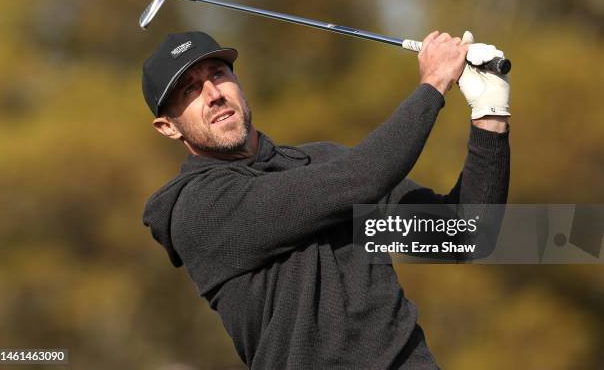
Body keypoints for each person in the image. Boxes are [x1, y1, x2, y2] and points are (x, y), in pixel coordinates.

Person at [141, 30, 510, 369]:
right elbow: (363, 178)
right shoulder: (199, 208)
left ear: (237, 82)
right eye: (189, 90)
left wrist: (489, 115)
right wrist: (433, 83)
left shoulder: (325, 160)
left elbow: (462, 237)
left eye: (218, 74)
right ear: (168, 127)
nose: (213, 94)